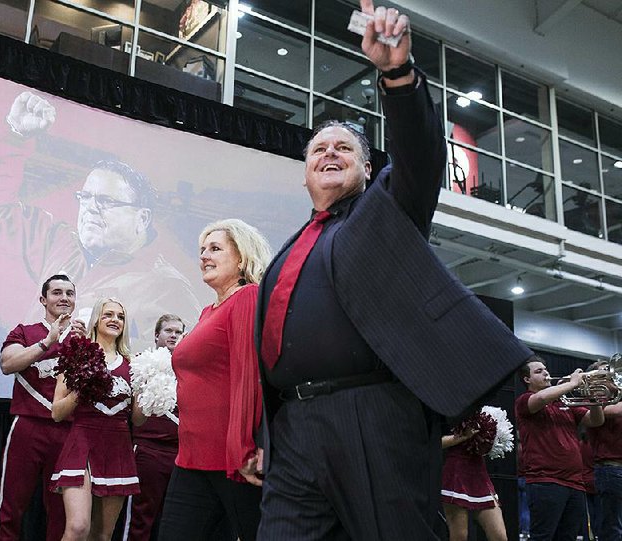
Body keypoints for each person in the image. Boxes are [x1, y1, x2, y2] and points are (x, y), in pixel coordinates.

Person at [254, 2, 534, 539]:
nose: (328, 152)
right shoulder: (290, 248)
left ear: (367, 169)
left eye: (344, 148)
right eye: (318, 149)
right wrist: (263, 436)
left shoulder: (385, 210)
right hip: (292, 428)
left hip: (374, 416)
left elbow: (420, 155)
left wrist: (398, 77)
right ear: (305, 171)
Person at [0, 91, 203, 349]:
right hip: (37, 385)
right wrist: (15, 135)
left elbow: (178, 365)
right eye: (85, 198)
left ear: (142, 218)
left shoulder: (168, 287)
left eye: (106, 202)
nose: (90, 208)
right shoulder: (58, 242)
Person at [158, 218, 271, 541]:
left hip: (233, 459)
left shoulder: (247, 297)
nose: (204, 256)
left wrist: (247, 449)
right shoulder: (208, 311)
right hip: (191, 458)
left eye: (216, 248)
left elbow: (250, 376)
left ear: (242, 257)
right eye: (202, 250)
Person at [0, 275, 87, 541]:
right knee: (11, 505)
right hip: (28, 425)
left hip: (68, 431)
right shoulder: (25, 331)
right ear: (43, 300)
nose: (64, 298)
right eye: (57, 293)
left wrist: (88, 345)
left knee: (60, 512)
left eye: (69, 293)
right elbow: (7, 365)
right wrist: (47, 341)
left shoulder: (84, 337)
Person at [50, 297, 139, 541]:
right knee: (78, 527)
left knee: (102, 535)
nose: (115, 320)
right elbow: (57, 412)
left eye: (120, 317)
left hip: (118, 446)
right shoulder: (77, 355)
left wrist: (145, 390)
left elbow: (138, 420)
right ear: (96, 320)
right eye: (108, 314)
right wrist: (82, 388)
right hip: (82, 443)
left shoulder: (134, 364)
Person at [515, 356, 605, 541]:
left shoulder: (564, 403)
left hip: (575, 483)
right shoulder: (525, 400)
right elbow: (540, 398)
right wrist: (572, 383)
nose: (546, 373)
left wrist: (594, 399)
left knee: (568, 537)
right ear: (527, 380)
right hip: (546, 481)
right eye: (538, 371)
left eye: (545, 369)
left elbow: (596, 421)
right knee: (543, 537)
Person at [117, 314, 185, 541]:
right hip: (148, 450)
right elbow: (132, 414)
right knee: (140, 516)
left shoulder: (189, 369)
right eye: (169, 331)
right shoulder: (139, 363)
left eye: (178, 332)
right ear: (156, 335)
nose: (174, 335)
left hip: (180, 454)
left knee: (173, 520)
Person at [440, 429, 507, 541]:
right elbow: (434, 442)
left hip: (478, 471)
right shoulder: (444, 414)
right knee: (460, 536)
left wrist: (488, 440)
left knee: (499, 536)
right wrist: (463, 436)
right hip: (454, 472)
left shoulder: (480, 412)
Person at [586, 359, 622, 541]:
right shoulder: (594, 399)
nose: (611, 375)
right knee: (612, 529)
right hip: (611, 469)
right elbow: (613, 412)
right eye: (604, 373)